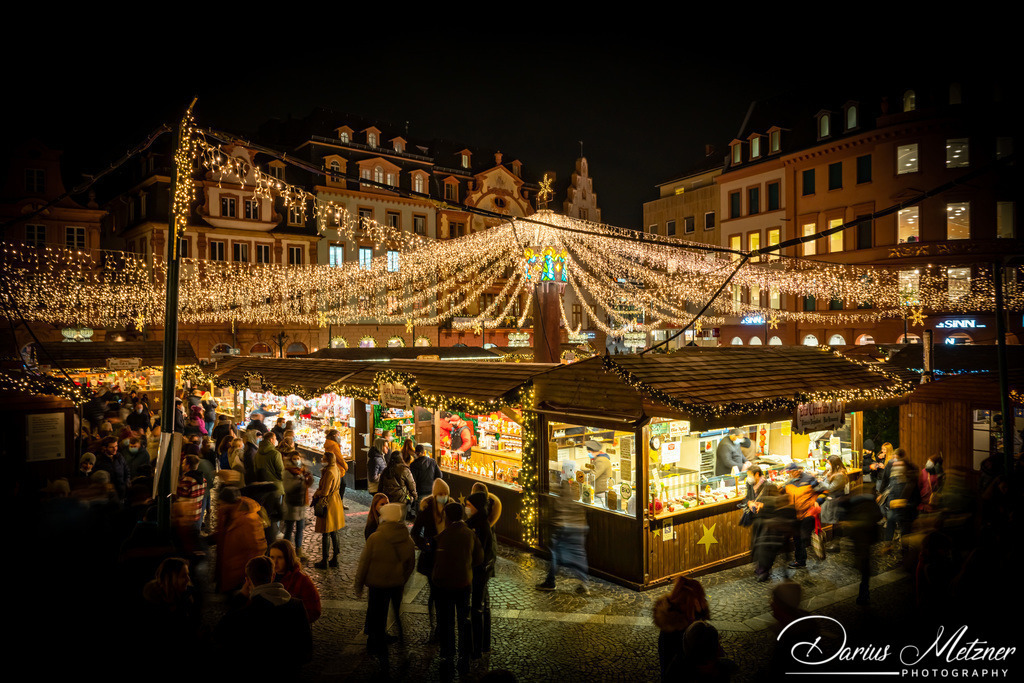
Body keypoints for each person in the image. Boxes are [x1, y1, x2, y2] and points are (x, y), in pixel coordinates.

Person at [214, 556, 312, 675]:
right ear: (273, 576)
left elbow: (220, 634)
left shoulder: (244, 614)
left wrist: (240, 597)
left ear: (248, 581)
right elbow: (306, 650)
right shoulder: (297, 606)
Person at [354, 503, 416, 658]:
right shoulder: (407, 539)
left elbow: (364, 563)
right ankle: (401, 643)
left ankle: (378, 647)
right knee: (396, 613)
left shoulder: (375, 537)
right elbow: (410, 564)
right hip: (396, 585)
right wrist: (402, 579)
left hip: (377, 585)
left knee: (377, 615)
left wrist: (359, 584)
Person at [432, 502, 483, 673]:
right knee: (463, 620)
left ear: (447, 517)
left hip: (444, 585)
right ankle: (464, 653)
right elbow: (479, 558)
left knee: (447, 620)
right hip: (463, 583)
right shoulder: (470, 534)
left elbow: (434, 559)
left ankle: (448, 652)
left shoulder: (442, 536)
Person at [536, 472, 590, 594]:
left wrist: (547, 525)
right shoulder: (574, 502)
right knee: (578, 557)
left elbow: (557, 518)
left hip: (565, 530)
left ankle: (550, 582)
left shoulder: (559, 501)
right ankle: (584, 583)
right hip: (578, 531)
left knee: (555, 556)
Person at [412, 478, 451, 641]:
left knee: (445, 595)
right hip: (431, 558)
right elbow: (415, 532)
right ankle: (436, 627)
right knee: (435, 593)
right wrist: (425, 545)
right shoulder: (427, 510)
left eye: (446, 494)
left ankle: (444, 626)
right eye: (440, 494)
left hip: (447, 558)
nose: (443, 497)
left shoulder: (452, 508)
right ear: (435, 495)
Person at [652, 576, 711, 681]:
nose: (704, 601)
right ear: (692, 602)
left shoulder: (672, 624)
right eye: (701, 598)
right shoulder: (684, 631)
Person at [213, 486, 268, 592]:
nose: (219, 506)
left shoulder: (248, 520)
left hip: (239, 576)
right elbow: (222, 534)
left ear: (230, 503)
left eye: (222, 503)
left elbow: (257, 549)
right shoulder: (226, 514)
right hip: (227, 570)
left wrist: (249, 575)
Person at [466, 491, 496, 659]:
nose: (467, 508)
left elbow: (480, 552)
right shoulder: (475, 522)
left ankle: (478, 647)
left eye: (469, 506)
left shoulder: (480, 526)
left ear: (476, 507)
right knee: (483, 606)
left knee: (478, 608)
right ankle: (482, 644)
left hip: (479, 572)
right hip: (481, 571)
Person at [781, 461, 824, 569]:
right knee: (797, 538)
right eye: (788, 472)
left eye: (790, 472)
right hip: (794, 515)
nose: (789, 474)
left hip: (807, 514)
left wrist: (818, 501)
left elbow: (823, 491)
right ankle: (800, 561)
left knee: (804, 536)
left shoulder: (809, 479)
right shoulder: (788, 482)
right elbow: (782, 492)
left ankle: (816, 549)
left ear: (796, 471)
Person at [269, 539, 322, 623]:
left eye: (280, 557)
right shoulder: (267, 577)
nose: (275, 562)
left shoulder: (302, 580)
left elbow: (314, 610)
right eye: (272, 557)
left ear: (288, 558)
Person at [879, 447, 920, 550]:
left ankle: (904, 548)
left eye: (897, 460)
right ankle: (888, 543)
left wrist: (904, 503)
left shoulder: (911, 475)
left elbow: (915, 496)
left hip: (906, 507)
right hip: (895, 502)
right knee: (891, 519)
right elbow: (887, 481)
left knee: (904, 526)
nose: (895, 463)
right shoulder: (892, 467)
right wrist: (882, 494)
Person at [744, 465, 779, 580]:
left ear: (757, 475)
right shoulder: (750, 486)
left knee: (765, 547)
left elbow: (777, 502)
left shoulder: (769, 486)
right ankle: (760, 568)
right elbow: (746, 498)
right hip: (757, 521)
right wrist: (750, 503)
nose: (748, 478)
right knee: (757, 545)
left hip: (768, 522)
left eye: (750, 475)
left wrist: (763, 505)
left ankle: (764, 571)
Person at [312, 449, 345, 569]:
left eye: (323, 459)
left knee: (326, 532)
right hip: (335, 501)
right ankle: (335, 558)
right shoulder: (335, 468)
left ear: (328, 460)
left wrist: (317, 492)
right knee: (334, 531)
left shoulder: (329, 472)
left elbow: (325, 492)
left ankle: (324, 560)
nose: (322, 460)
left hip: (329, 503)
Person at [282, 450, 313, 555]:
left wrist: (309, 480)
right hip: (292, 504)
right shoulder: (287, 472)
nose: (296, 461)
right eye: (294, 459)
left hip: (301, 503)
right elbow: (287, 488)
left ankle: (299, 551)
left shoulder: (301, 470)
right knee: (289, 529)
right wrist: (300, 483)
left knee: (300, 528)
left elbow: (307, 485)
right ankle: (286, 551)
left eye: (298, 458)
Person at [821, 455, 849, 552]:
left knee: (837, 523)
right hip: (835, 500)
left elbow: (830, 488)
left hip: (838, 501)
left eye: (828, 463)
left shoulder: (840, 475)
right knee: (835, 523)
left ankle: (836, 545)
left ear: (833, 464)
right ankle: (835, 543)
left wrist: (821, 482)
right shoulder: (834, 472)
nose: (826, 465)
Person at [379, 450, 417, 516]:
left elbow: (380, 485)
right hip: (401, 498)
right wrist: (414, 496)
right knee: (400, 516)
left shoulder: (386, 470)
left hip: (388, 498)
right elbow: (411, 484)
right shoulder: (404, 470)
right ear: (401, 458)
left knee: (390, 516)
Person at [93, 436, 130, 503]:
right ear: (104, 448)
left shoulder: (119, 457)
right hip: (108, 496)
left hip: (122, 493)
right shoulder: (99, 460)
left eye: (116, 446)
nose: (115, 449)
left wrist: (126, 482)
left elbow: (126, 470)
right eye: (111, 447)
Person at [323, 429, 349, 510]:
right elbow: (339, 458)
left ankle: (337, 502)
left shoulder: (329, 443)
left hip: (333, 467)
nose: (339, 436)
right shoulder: (334, 445)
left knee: (338, 485)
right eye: (338, 435)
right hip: (337, 468)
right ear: (334, 436)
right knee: (340, 485)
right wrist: (346, 466)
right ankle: (337, 503)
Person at [584, 440, 612, 506]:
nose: (589, 454)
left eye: (589, 452)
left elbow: (592, 476)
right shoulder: (598, 458)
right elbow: (594, 470)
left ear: (593, 451)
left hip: (602, 493)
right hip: (600, 492)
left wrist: (579, 477)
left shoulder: (601, 461)